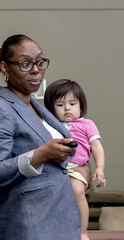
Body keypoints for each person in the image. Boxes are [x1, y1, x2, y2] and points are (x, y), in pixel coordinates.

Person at [0, 34, 80, 240]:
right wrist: (41, 154)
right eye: (25, 64)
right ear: (5, 68)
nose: (35, 70)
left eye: (40, 62)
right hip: (30, 224)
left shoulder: (38, 107)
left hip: (62, 221)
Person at [45, 79, 106, 240]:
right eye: (60, 105)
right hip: (54, 168)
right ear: (50, 108)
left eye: (72, 103)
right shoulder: (50, 125)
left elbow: (97, 146)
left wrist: (100, 167)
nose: (67, 108)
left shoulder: (87, 124)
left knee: (78, 191)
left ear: (81, 106)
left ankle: (82, 232)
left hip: (75, 168)